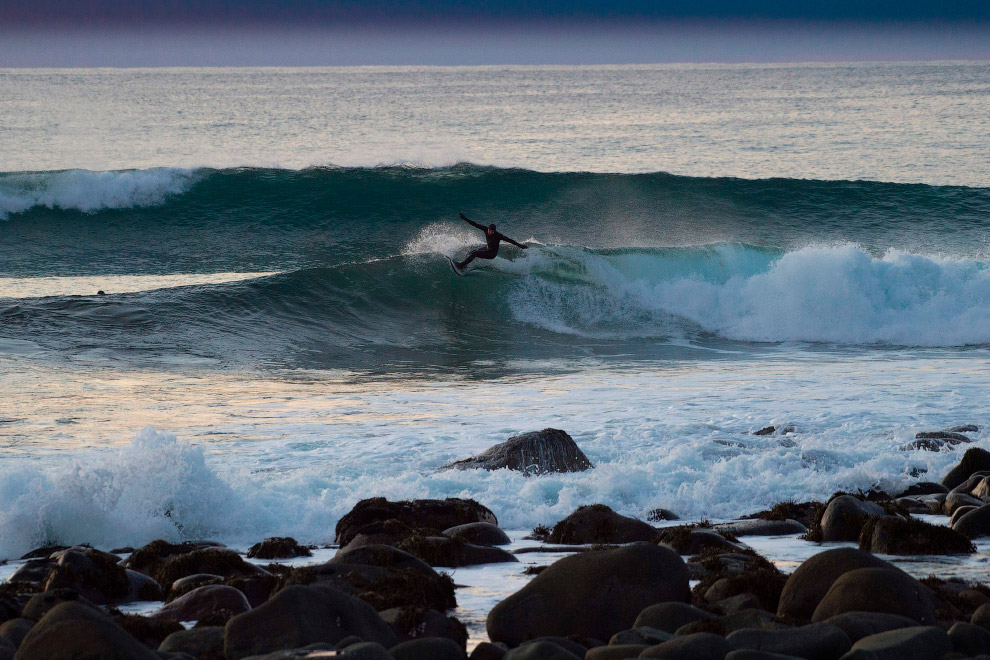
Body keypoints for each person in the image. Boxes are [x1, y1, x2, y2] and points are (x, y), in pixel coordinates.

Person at [455, 212, 527, 270]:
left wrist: (520, 245)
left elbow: (510, 240)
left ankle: (460, 265)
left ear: (494, 231)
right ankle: (464, 266)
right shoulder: (486, 229)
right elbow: (475, 224)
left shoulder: (498, 235)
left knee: (474, 253)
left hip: (492, 254)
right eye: (489, 230)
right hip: (487, 249)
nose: (490, 232)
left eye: (492, 231)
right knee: (471, 252)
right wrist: (464, 218)